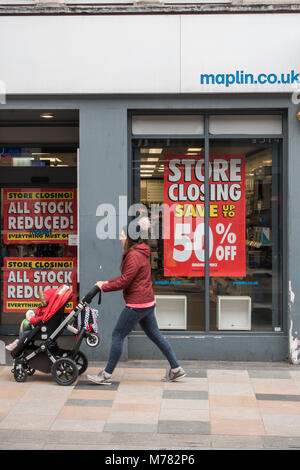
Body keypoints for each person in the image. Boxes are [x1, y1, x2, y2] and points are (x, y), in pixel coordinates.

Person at [87, 216, 186, 385]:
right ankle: (176, 369)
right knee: (155, 335)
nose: (120, 237)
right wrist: (106, 283)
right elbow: (127, 278)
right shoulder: (142, 251)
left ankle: (106, 375)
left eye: (122, 234)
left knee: (118, 335)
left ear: (129, 237)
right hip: (147, 302)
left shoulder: (133, 255)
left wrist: (103, 286)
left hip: (137, 304)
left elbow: (125, 281)